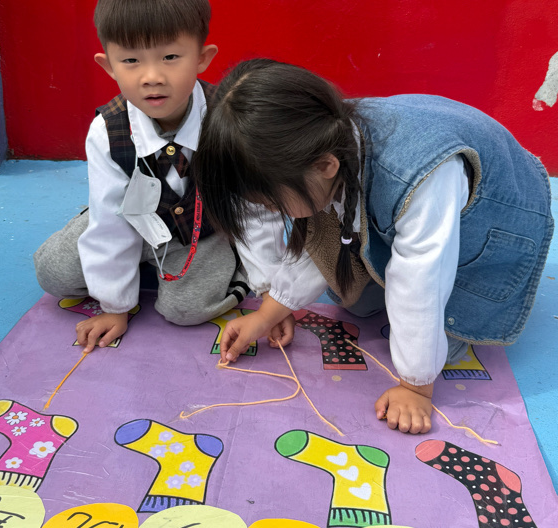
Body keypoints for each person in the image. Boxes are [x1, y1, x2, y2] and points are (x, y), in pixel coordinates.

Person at [193, 59, 554, 436]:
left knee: (442, 342)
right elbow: (324, 232)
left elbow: (421, 280)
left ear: (325, 166)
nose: (272, 212)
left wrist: (416, 386)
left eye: (272, 203)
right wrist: (269, 312)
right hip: (412, 191)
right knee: (356, 299)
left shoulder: (420, 179)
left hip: (499, 212)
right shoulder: (316, 142)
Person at [34, 0, 249, 352]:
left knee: (187, 310)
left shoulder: (229, 119)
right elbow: (111, 220)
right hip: (128, 217)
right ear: (109, 66)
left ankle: (234, 269)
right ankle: (129, 264)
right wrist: (115, 306)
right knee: (52, 273)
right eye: (131, 60)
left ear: (202, 58)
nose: (152, 77)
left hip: (199, 229)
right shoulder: (107, 130)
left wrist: (271, 286)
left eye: (170, 57)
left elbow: (254, 206)